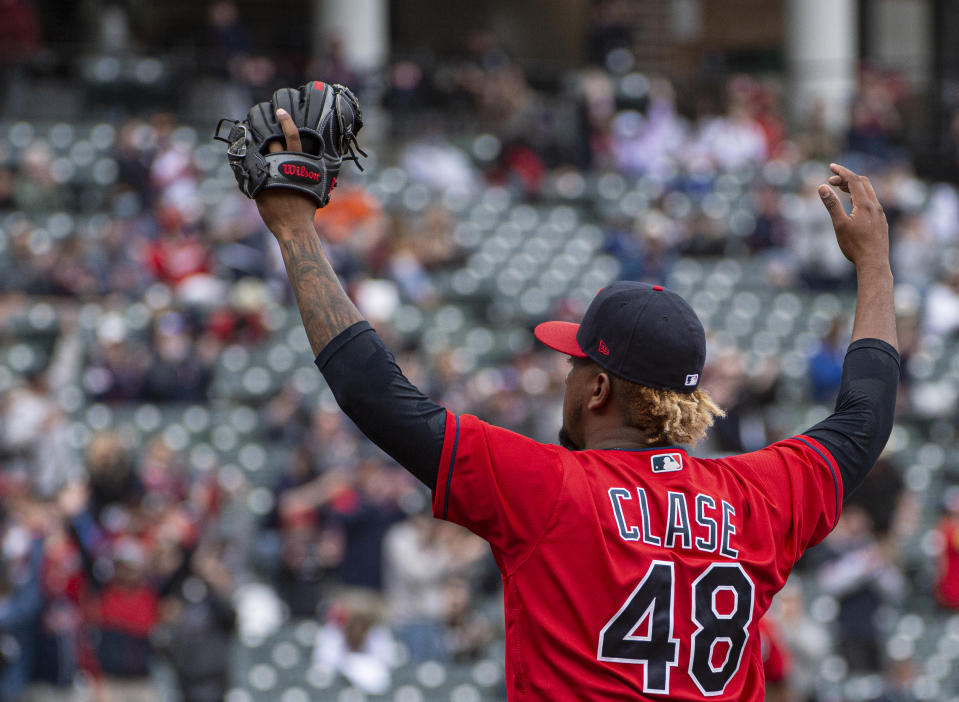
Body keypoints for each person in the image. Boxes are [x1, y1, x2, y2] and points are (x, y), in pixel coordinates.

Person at [254, 109, 899, 699]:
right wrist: (875, 265)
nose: (566, 373)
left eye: (575, 362)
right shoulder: (758, 497)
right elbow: (865, 419)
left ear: (599, 389)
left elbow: (375, 394)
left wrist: (294, 231)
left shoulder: (550, 488)